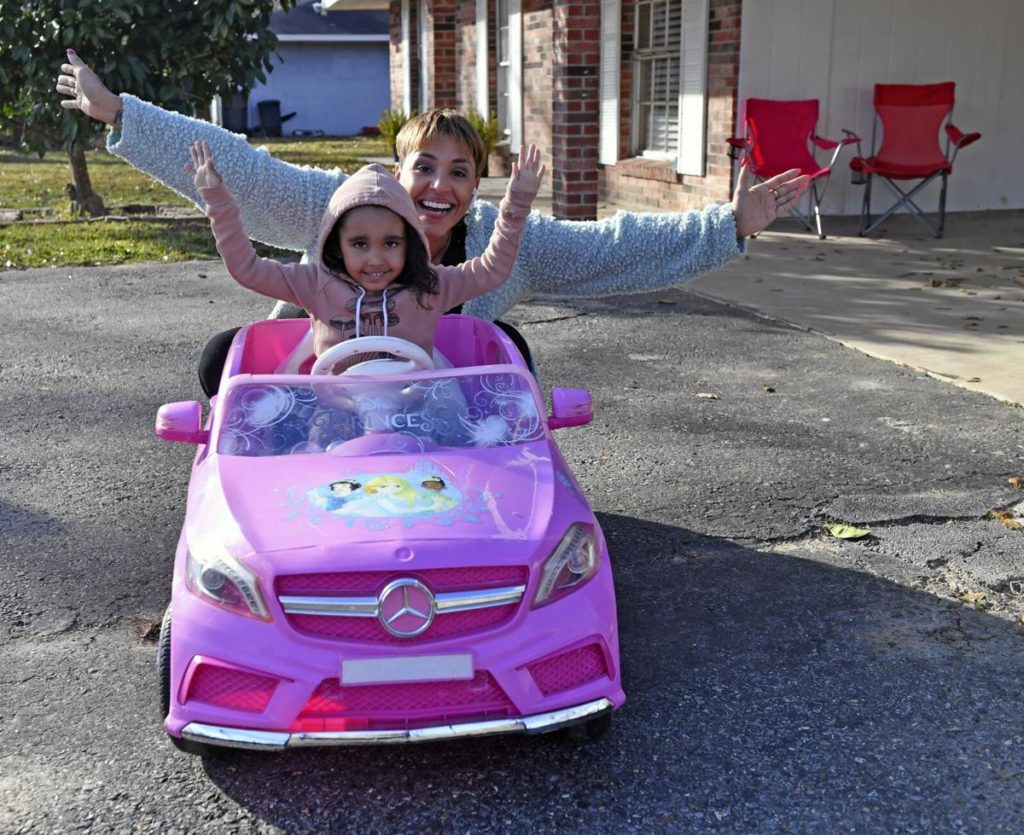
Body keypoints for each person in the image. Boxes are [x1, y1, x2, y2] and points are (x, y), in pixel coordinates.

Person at [55, 50, 809, 392]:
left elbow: (616, 248)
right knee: (225, 356)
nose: (438, 185)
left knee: (506, 347)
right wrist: (122, 113)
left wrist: (727, 224)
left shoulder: (512, 244)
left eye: (459, 171)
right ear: (393, 171)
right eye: (422, 167)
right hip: (325, 390)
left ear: (476, 184)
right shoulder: (339, 208)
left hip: (444, 419)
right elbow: (244, 172)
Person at [186, 139, 544, 372]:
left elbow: (491, 269)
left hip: (417, 407)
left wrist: (516, 206)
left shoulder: (431, 286)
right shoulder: (315, 283)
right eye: (359, 244)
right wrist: (219, 203)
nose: (376, 259)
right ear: (335, 244)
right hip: (334, 409)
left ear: (411, 243)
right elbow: (246, 268)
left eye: (390, 243)